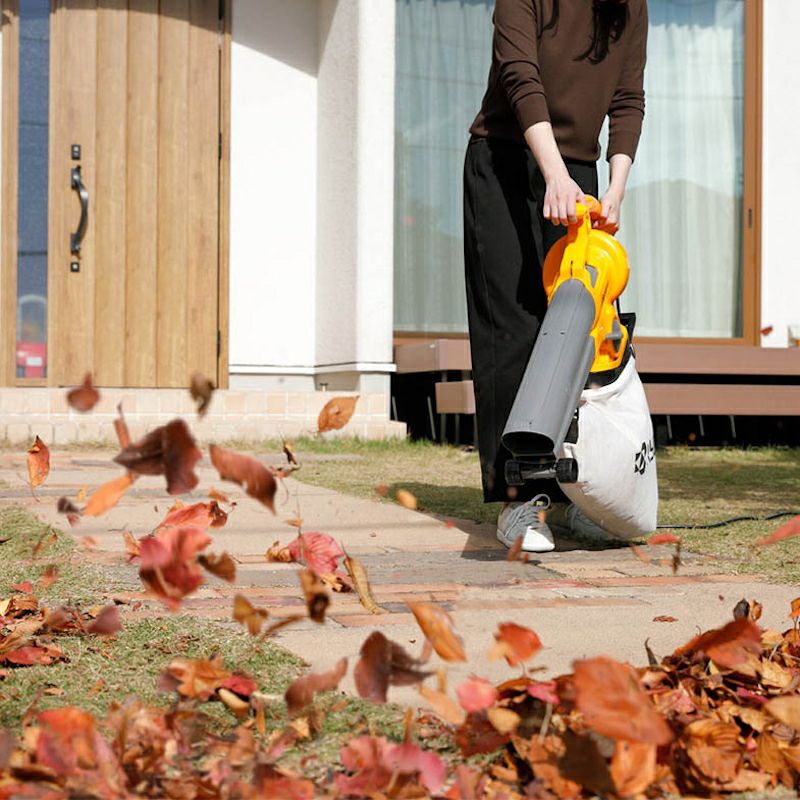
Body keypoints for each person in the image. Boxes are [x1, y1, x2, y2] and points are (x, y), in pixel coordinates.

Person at [464, 0, 647, 552]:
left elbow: (628, 98)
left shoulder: (629, 7)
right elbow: (521, 76)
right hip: (505, 160)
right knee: (512, 332)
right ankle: (520, 499)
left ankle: (580, 492)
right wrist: (554, 174)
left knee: (581, 334)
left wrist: (614, 188)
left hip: (578, 174)